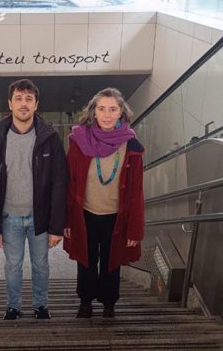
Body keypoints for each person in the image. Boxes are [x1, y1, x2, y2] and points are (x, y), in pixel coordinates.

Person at [0, 79, 68, 320]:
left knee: (41, 265)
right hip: (9, 218)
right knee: (12, 266)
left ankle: (41, 305)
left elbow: (60, 183)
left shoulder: (50, 138)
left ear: (36, 104)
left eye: (29, 99)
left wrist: (56, 227)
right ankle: (13, 307)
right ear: (10, 103)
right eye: (18, 98)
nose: (23, 104)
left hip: (40, 217)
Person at [63, 87, 145, 319]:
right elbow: (70, 182)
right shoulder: (79, 140)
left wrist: (134, 228)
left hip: (116, 217)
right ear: (93, 113)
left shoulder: (131, 146)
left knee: (112, 264)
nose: (107, 114)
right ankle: (86, 301)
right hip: (85, 214)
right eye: (102, 109)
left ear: (121, 113)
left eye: (112, 109)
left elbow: (136, 191)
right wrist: (67, 219)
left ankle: (109, 303)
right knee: (86, 261)